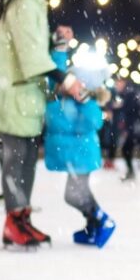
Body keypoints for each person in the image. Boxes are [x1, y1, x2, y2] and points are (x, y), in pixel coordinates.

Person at [0, 0, 84, 248]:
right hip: (14, 94)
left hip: (26, 95)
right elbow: (32, 58)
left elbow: (33, 48)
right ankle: (14, 222)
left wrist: (55, 40)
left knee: (26, 160)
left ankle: (22, 220)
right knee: (16, 161)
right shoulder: (26, 3)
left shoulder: (34, 3)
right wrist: (67, 80)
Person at [43, 25, 116, 248]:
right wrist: (60, 47)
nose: (69, 83)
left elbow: (95, 122)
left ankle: (102, 221)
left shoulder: (88, 103)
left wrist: (84, 100)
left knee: (74, 195)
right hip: (73, 154)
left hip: (81, 154)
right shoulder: (61, 94)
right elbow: (57, 70)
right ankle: (93, 223)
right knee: (77, 193)